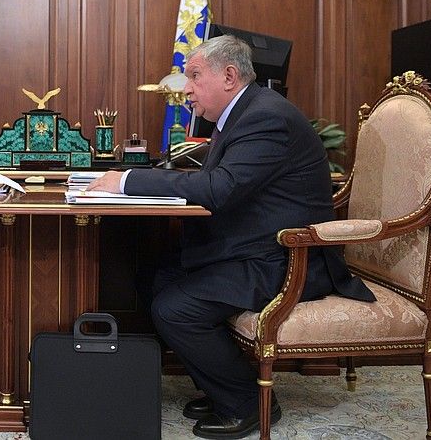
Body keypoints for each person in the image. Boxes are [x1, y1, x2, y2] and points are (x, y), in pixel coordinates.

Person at [87, 34, 374, 439]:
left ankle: (248, 403)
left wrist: (125, 181)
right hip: (255, 247)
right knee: (154, 277)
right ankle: (222, 386)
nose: (186, 89)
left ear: (228, 76)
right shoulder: (244, 113)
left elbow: (219, 189)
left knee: (174, 307)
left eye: (194, 76)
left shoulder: (265, 117)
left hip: (288, 260)